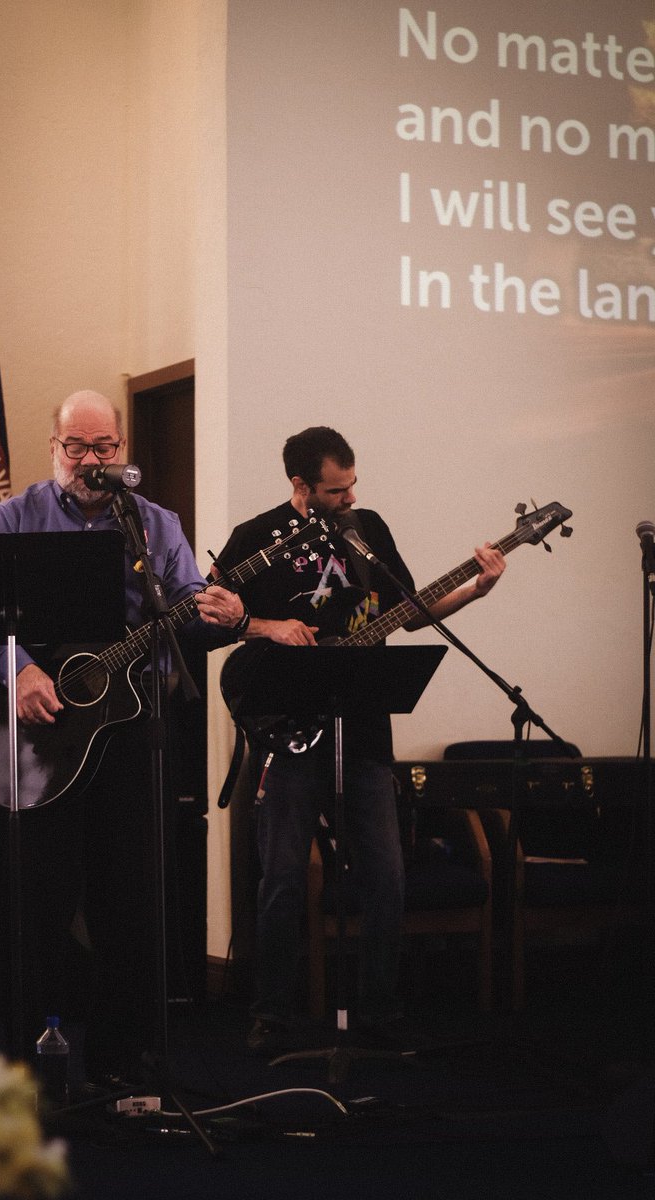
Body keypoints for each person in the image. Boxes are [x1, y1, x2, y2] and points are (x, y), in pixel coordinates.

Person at [0, 389, 247, 1088]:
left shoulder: (155, 522)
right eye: (77, 448)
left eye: (104, 448)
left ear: (122, 450)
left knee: (132, 902)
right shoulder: (15, 516)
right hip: (43, 734)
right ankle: (29, 1069)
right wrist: (22, 669)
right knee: (40, 902)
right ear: (53, 448)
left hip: (131, 734)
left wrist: (229, 614)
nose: (91, 460)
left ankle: (126, 1071)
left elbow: (187, 617)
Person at [213, 426, 505, 1052]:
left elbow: (413, 608)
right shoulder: (255, 539)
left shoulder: (366, 528)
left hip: (364, 726)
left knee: (386, 874)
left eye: (352, 486)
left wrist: (478, 587)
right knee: (284, 877)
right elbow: (211, 615)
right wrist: (266, 625)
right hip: (288, 730)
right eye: (335, 490)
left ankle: (380, 1008)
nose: (348, 498)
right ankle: (272, 1013)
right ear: (300, 486)